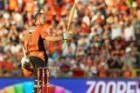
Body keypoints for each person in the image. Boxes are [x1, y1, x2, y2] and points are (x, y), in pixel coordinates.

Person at [21, 12, 71, 93]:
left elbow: (24, 45)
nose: (45, 19)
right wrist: (63, 37)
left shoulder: (28, 30)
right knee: (40, 81)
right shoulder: (39, 28)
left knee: (36, 79)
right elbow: (48, 38)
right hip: (39, 57)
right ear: (38, 19)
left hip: (30, 57)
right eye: (43, 18)